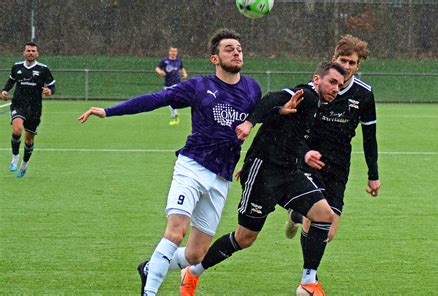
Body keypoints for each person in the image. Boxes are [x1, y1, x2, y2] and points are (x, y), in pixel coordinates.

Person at [78, 28, 261, 296]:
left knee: (196, 254)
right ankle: (149, 292)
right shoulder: (200, 86)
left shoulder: (252, 89)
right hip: (192, 166)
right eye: (229, 48)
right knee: (176, 232)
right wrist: (108, 111)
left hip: (221, 176)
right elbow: (155, 99)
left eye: (239, 48)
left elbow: (265, 118)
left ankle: (149, 268)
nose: (236, 52)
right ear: (214, 58)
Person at [179, 61, 347, 296]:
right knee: (244, 238)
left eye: (340, 85)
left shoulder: (316, 105)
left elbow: (287, 133)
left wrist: (305, 154)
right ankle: (193, 271)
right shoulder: (305, 94)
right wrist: (248, 123)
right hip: (264, 174)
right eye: (332, 82)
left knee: (324, 215)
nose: (336, 88)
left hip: (289, 173)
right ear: (316, 79)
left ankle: (308, 282)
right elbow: (270, 98)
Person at [283, 34, 382, 295]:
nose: (347, 66)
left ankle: (296, 215)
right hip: (308, 161)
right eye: (342, 60)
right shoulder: (313, 88)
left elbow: (369, 138)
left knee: (328, 232)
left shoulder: (364, 94)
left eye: (352, 62)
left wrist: (374, 175)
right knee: (317, 216)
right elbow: (290, 126)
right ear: (333, 59)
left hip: (339, 166)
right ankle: (308, 280)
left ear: (359, 65)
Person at [1, 41, 56, 178]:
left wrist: (49, 91)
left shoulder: (43, 69)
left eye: (33, 51)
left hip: (35, 107)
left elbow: (52, 85)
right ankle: (14, 157)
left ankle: (24, 165)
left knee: (29, 139)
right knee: (17, 129)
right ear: (24, 52)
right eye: (28, 51)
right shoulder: (17, 67)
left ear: (37, 53)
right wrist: (4, 91)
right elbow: (11, 81)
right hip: (18, 104)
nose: (30, 53)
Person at [155, 46, 188, 125]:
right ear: (169, 52)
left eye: (175, 51)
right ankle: (175, 115)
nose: (174, 53)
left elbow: (182, 68)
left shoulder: (179, 61)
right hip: (168, 84)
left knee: (173, 100)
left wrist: (184, 73)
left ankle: (175, 114)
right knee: (170, 101)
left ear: (177, 52)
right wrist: (160, 72)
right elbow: (157, 68)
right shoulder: (165, 61)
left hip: (177, 84)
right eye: (172, 51)